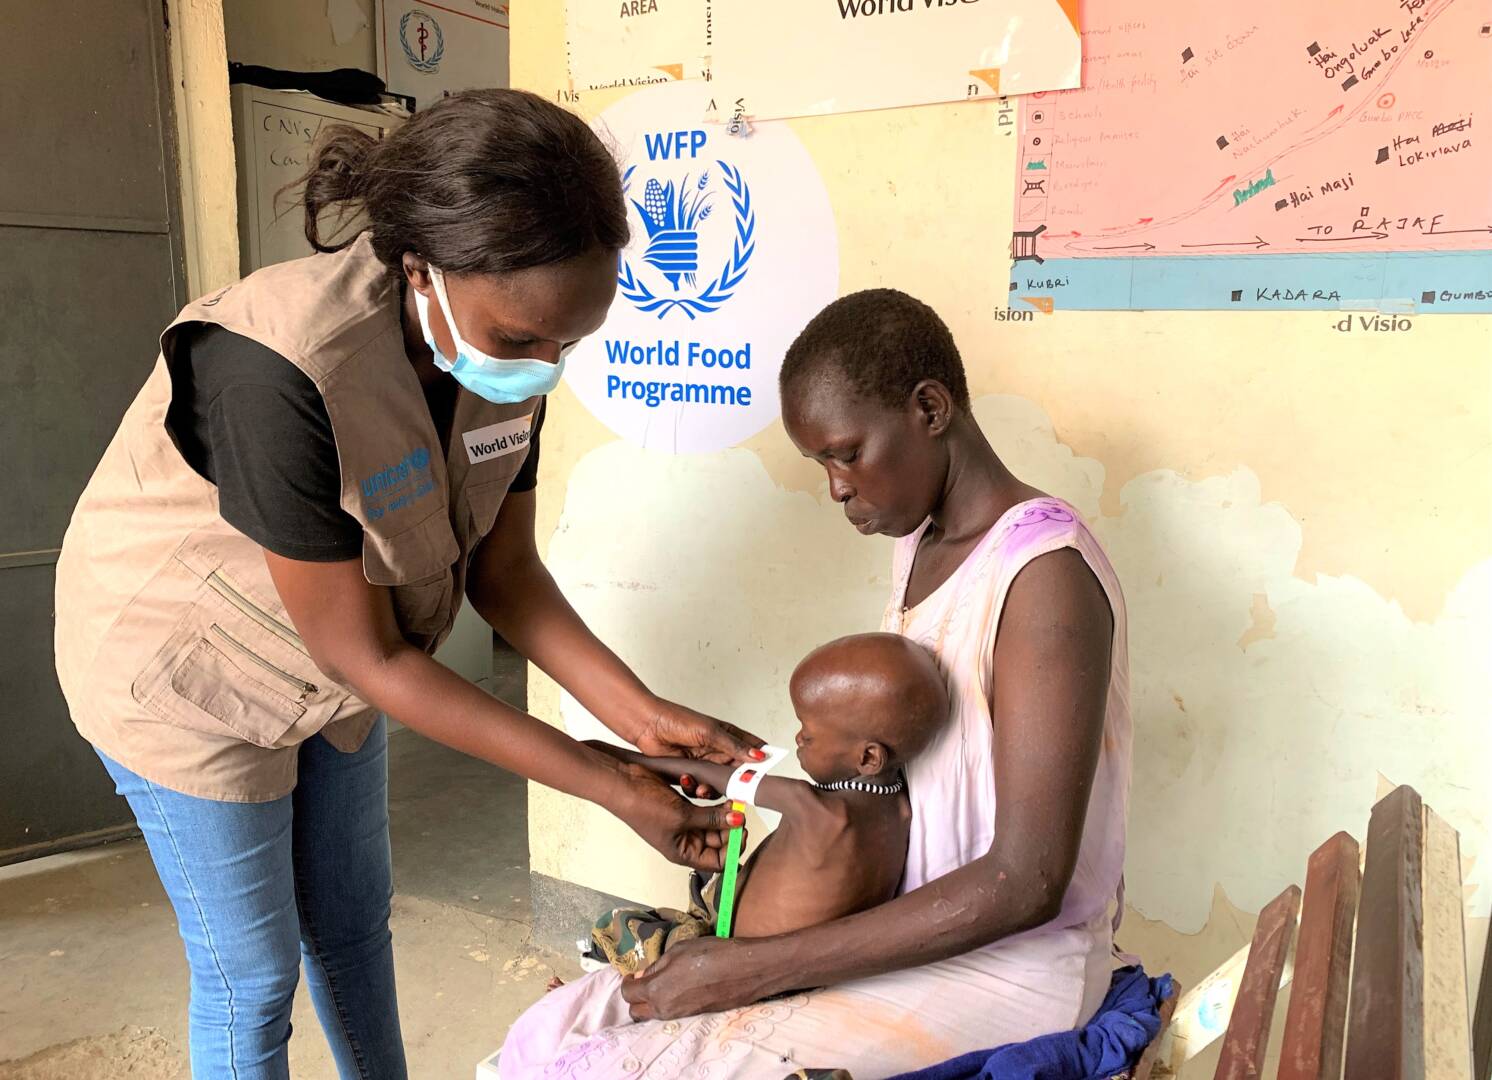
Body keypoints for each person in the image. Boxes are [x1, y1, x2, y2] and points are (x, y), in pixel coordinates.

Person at [52, 89, 762, 1080]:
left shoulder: (513, 341)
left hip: (339, 662)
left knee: (350, 926)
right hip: (183, 673)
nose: (546, 367)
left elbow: (503, 574)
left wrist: (640, 719)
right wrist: (605, 784)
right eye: (522, 340)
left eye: (571, 343)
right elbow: (365, 652)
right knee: (250, 977)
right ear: (423, 264)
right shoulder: (277, 368)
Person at [497, 289, 1131, 1078]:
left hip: (1007, 966)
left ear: (929, 408)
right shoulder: (926, 545)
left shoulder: (1043, 579)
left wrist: (757, 966)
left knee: (596, 1070)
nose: (835, 487)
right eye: (821, 462)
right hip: (907, 925)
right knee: (551, 1032)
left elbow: (1025, 880)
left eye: (846, 453)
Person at [564, 632, 948, 979]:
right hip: (796, 966)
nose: (797, 737)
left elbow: (722, 778)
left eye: (808, 733)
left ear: (868, 758)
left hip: (729, 958)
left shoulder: (813, 808)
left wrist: (626, 763)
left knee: (619, 926)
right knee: (700, 888)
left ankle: (599, 972)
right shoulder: (899, 806)